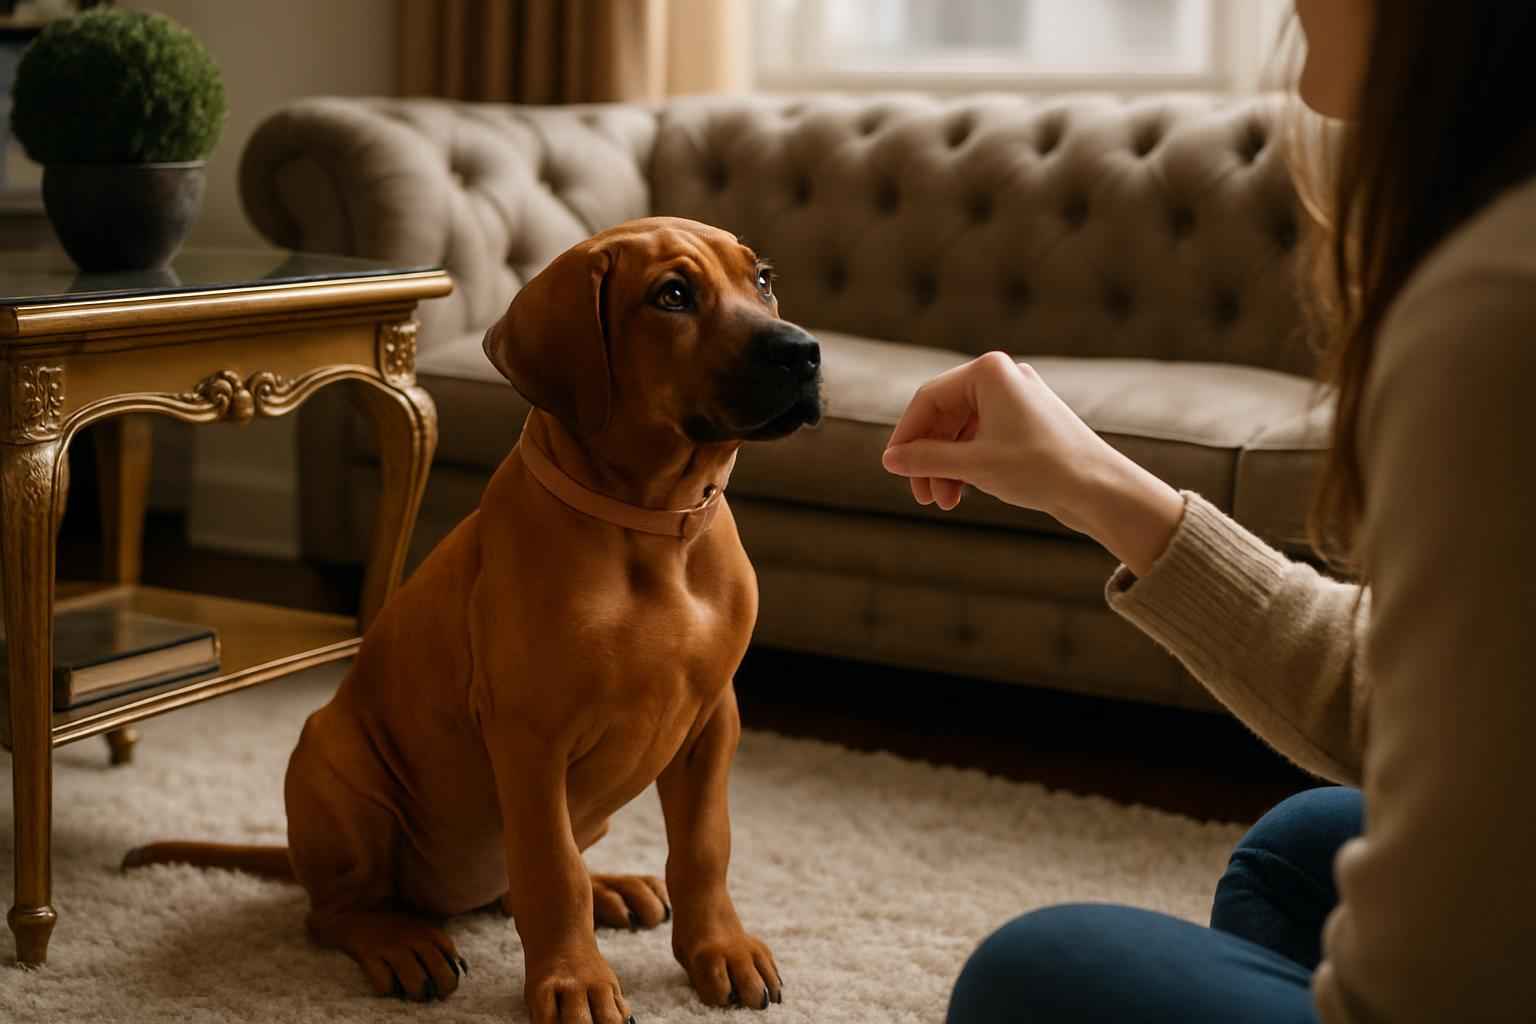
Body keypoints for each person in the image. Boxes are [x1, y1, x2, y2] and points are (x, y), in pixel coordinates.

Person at [880, 2, 1536, 1021]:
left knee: (1036, 974)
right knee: (1300, 848)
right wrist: (1091, 479)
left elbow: (1438, 984)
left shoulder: (1498, 310)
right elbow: (1422, 691)